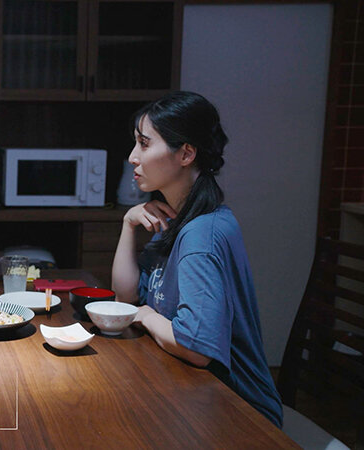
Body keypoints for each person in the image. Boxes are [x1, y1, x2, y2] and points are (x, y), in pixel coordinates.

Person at [111, 91, 283, 428]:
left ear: (186, 153)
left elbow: (197, 348)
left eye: (144, 144)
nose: (132, 157)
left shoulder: (201, 234)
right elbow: (125, 296)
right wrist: (128, 225)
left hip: (241, 413)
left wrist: (144, 315)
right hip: (196, 397)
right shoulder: (179, 218)